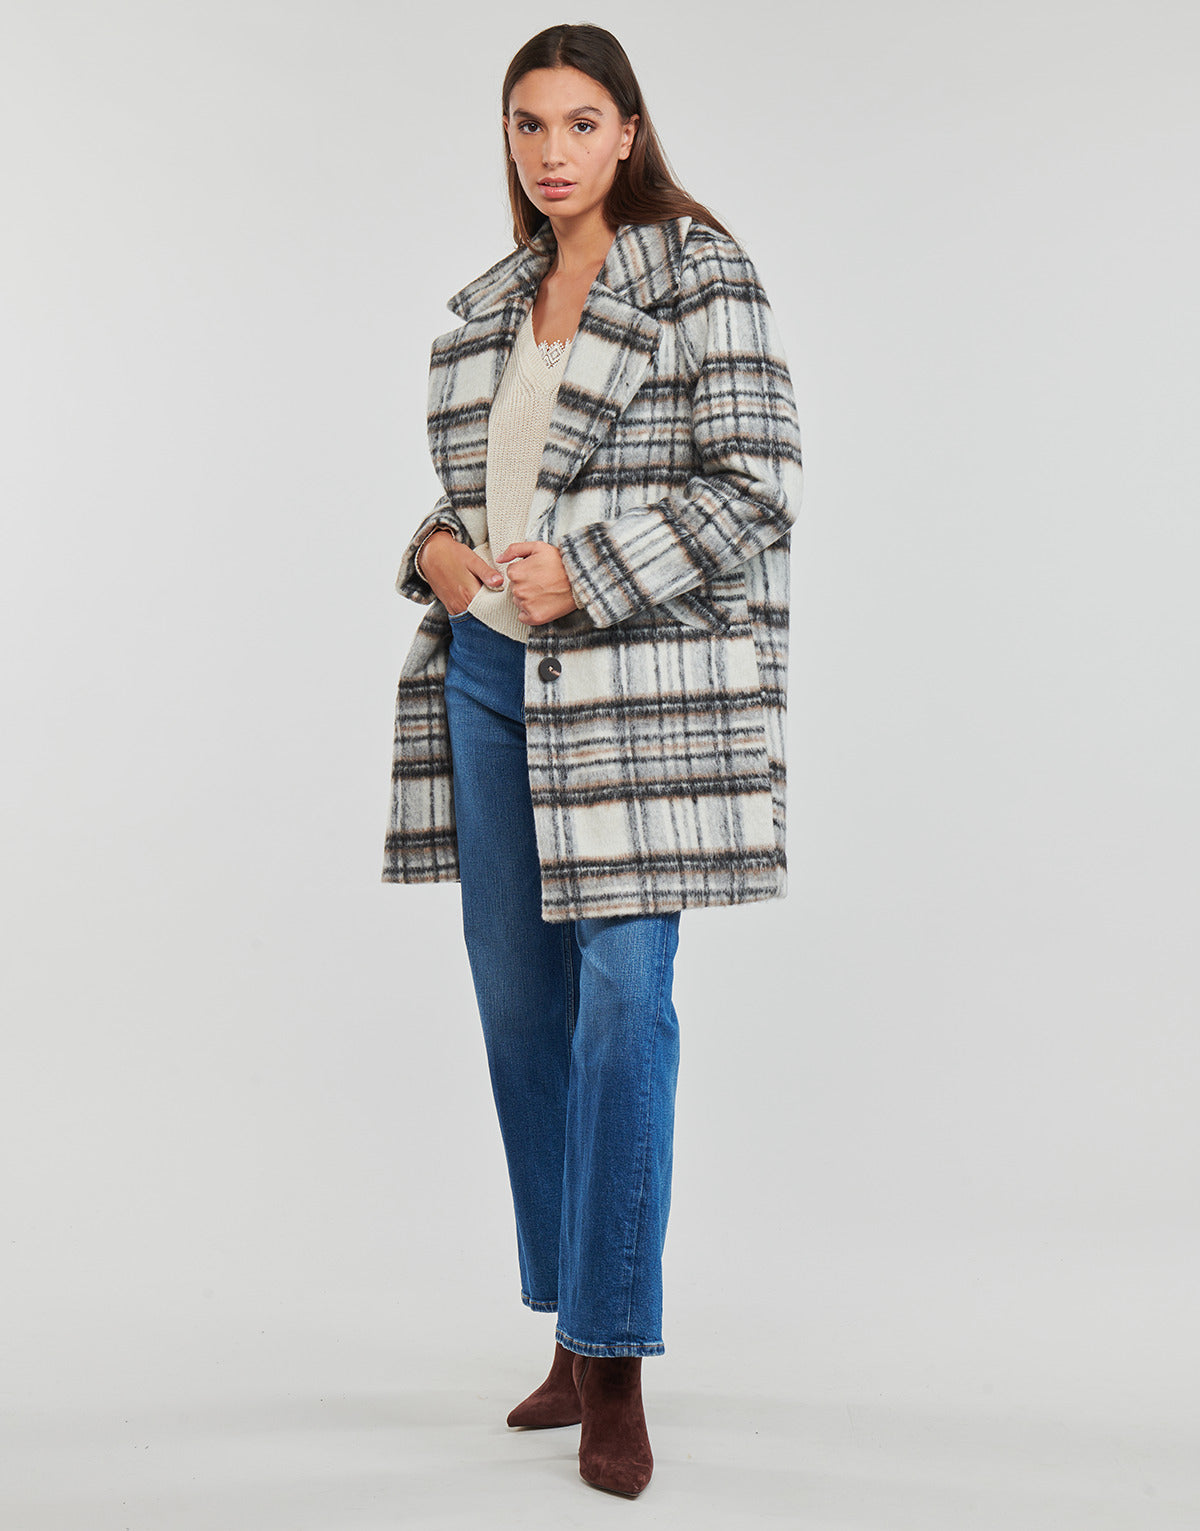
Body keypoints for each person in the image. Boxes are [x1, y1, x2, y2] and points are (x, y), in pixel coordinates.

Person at [383, 22, 802, 1501]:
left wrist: (594, 574)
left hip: (635, 696)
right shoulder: (486, 310)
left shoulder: (700, 275)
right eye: (527, 124)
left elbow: (757, 486)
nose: (551, 151)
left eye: (578, 122)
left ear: (628, 130)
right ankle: (570, 1323)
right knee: (523, 1019)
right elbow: (476, 501)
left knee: (626, 1009)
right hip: (489, 682)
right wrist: (434, 554)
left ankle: (615, 1357)